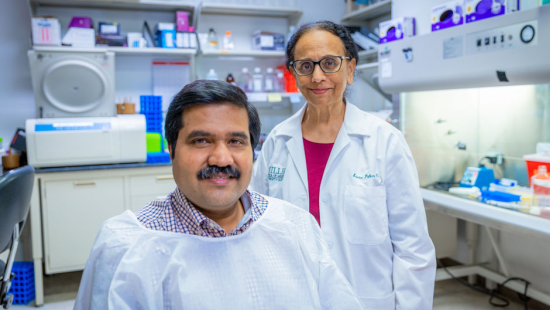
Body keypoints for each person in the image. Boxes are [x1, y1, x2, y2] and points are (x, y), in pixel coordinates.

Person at [74, 80, 364, 310]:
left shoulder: (294, 226)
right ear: (172, 150)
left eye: (236, 141)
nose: (222, 159)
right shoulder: (124, 246)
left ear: (253, 150)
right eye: (201, 141)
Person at [250, 21, 437, 309]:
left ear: (350, 70)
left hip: (364, 300)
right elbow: (258, 226)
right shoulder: (277, 141)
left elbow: (412, 247)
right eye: (305, 66)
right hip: (292, 296)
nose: (317, 76)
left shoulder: (384, 142)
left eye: (329, 63)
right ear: (294, 74)